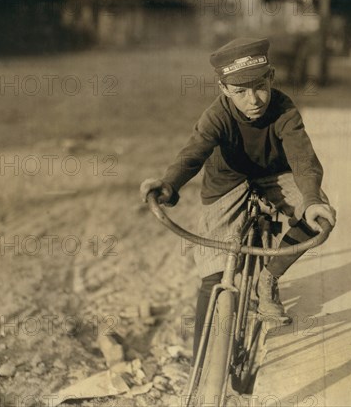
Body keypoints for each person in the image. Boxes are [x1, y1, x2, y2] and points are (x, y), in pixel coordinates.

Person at [140, 37, 336, 361]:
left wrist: (312, 199)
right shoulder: (216, 116)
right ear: (224, 88)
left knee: (321, 215)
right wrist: (167, 185)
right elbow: (193, 153)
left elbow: (303, 160)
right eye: (240, 91)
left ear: (271, 77)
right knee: (214, 274)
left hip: (275, 177)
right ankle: (201, 363)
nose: (253, 100)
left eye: (260, 86)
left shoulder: (284, 110)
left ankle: (268, 278)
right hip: (226, 184)